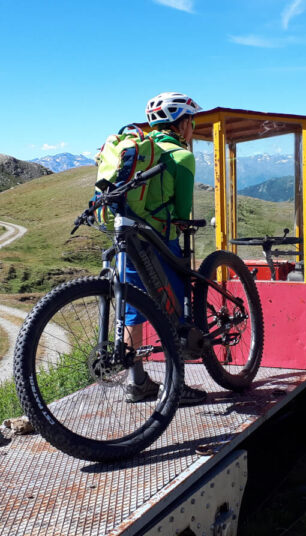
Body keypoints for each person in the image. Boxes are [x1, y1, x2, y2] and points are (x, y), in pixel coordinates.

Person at [124, 91, 208, 405]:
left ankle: (137, 382)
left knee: (133, 310)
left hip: (129, 239)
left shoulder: (138, 150)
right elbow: (182, 210)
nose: (192, 126)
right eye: (191, 120)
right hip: (160, 240)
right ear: (181, 122)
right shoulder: (181, 156)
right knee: (175, 308)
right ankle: (177, 386)